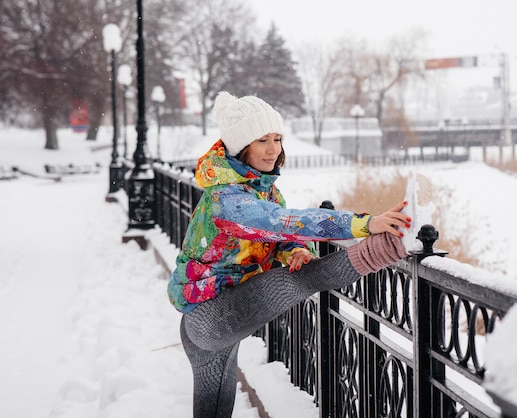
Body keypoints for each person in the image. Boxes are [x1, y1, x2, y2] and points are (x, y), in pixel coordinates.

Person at [167, 91, 411, 417]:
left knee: (213, 411)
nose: (273, 149)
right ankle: (388, 247)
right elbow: (284, 222)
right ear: (242, 148)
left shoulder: (263, 190)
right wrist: (366, 224)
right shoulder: (227, 200)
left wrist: (297, 248)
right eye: (262, 140)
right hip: (210, 316)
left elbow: (279, 235)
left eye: (278, 139)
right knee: (304, 280)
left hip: (220, 310)